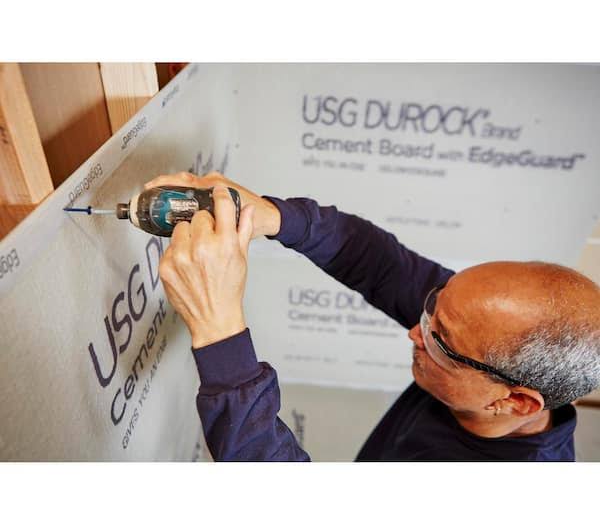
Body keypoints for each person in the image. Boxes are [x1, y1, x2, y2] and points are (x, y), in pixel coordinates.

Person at [145, 171, 600, 462]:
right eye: (434, 304)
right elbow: (380, 264)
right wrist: (271, 216)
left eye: (440, 341)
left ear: (515, 402)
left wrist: (220, 332)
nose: (416, 332)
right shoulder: (481, 328)